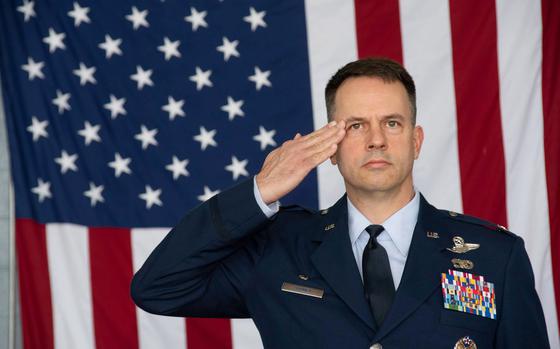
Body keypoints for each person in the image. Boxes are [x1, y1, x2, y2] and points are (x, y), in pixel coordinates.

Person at [131, 58, 549, 348]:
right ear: (331, 147)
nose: (376, 139)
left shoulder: (496, 257)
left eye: (392, 122)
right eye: (355, 125)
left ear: (416, 141)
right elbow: (158, 288)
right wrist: (258, 191)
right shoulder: (278, 250)